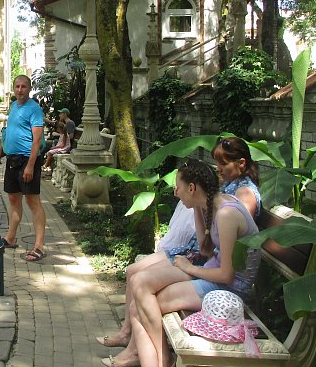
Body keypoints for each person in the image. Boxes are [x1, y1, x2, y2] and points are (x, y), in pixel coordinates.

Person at [95, 135, 261, 350]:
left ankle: (151, 356)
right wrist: (199, 206)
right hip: (204, 259)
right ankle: (135, 342)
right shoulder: (225, 191)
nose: (218, 168)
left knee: (143, 294)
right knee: (136, 278)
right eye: (216, 162)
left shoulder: (238, 200)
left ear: (242, 163)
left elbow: (228, 258)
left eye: (223, 163)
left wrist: (191, 266)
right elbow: (210, 245)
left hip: (216, 274)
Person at [0, 74, 46, 262]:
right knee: (13, 199)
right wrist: (0, 150)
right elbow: (9, 131)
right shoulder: (14, 106)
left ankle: (39, 246)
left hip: (27, 161)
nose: (20, 90)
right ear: (13, 88)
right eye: (17, 86)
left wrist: (30, 166)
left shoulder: (35, 109)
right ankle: (11, 238)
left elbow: (37, 140)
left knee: (32, 201)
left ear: (29, 89)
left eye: (23, 86)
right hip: (12, 160)